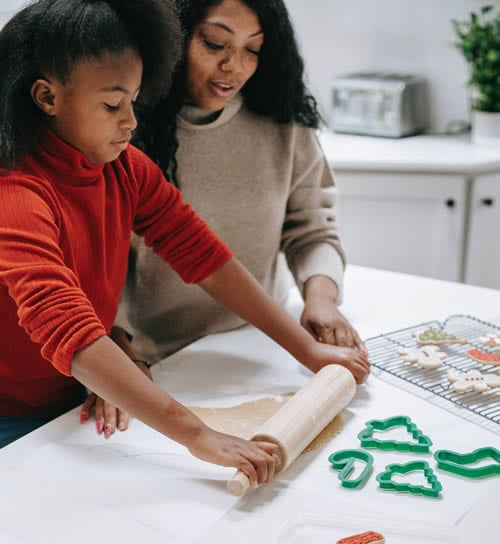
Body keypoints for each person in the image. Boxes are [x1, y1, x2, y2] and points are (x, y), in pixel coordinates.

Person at [0, 0, 368, 487]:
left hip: (80, 395)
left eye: (134, 100)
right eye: (112, 105)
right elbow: (66, 325)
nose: (130, 122)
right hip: (11, 409)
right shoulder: (14, 194)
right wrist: (197, 434)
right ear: (47, 97)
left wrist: (307, 350)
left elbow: (207, 258)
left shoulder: (126, 168)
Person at [99, 0, 370, 435]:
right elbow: (95, 261)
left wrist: (320, 299)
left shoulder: (284, 127)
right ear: (173, 38)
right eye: (215, 43)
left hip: (258, 339)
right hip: (154, 354)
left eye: (253, 50)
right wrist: (115, 349)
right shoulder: (119, 133)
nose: (234, 66)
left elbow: (311, 228)